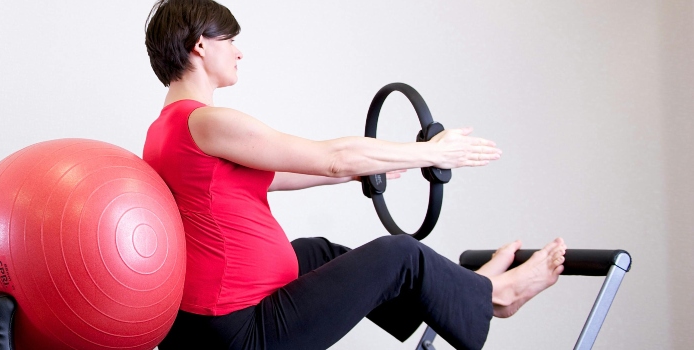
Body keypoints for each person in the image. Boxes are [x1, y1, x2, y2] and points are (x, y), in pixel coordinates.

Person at [142, 1, 567, 349]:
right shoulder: (209, 121)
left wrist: (357, 175)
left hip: (202, 323)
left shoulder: (166, 128)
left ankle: (461, 292)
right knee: (398, 254)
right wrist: (430, 152)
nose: (239, 51)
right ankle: (497, 296)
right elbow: (334, 156)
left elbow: (270, 177)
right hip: (238, 332)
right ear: (200, 45)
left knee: (317, 251)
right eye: (231, 40)